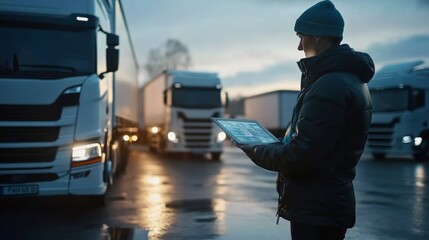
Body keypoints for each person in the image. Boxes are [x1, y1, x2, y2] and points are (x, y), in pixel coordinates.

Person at [235, 1, 375, 240]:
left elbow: (300, 156)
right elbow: (313, 142)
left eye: (302, 37)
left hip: (317, 209)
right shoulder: (349, 80)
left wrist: (254, 148)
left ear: (318, 37)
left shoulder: (329, 86)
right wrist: (277, 142)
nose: (299, 47)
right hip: (326, 205)